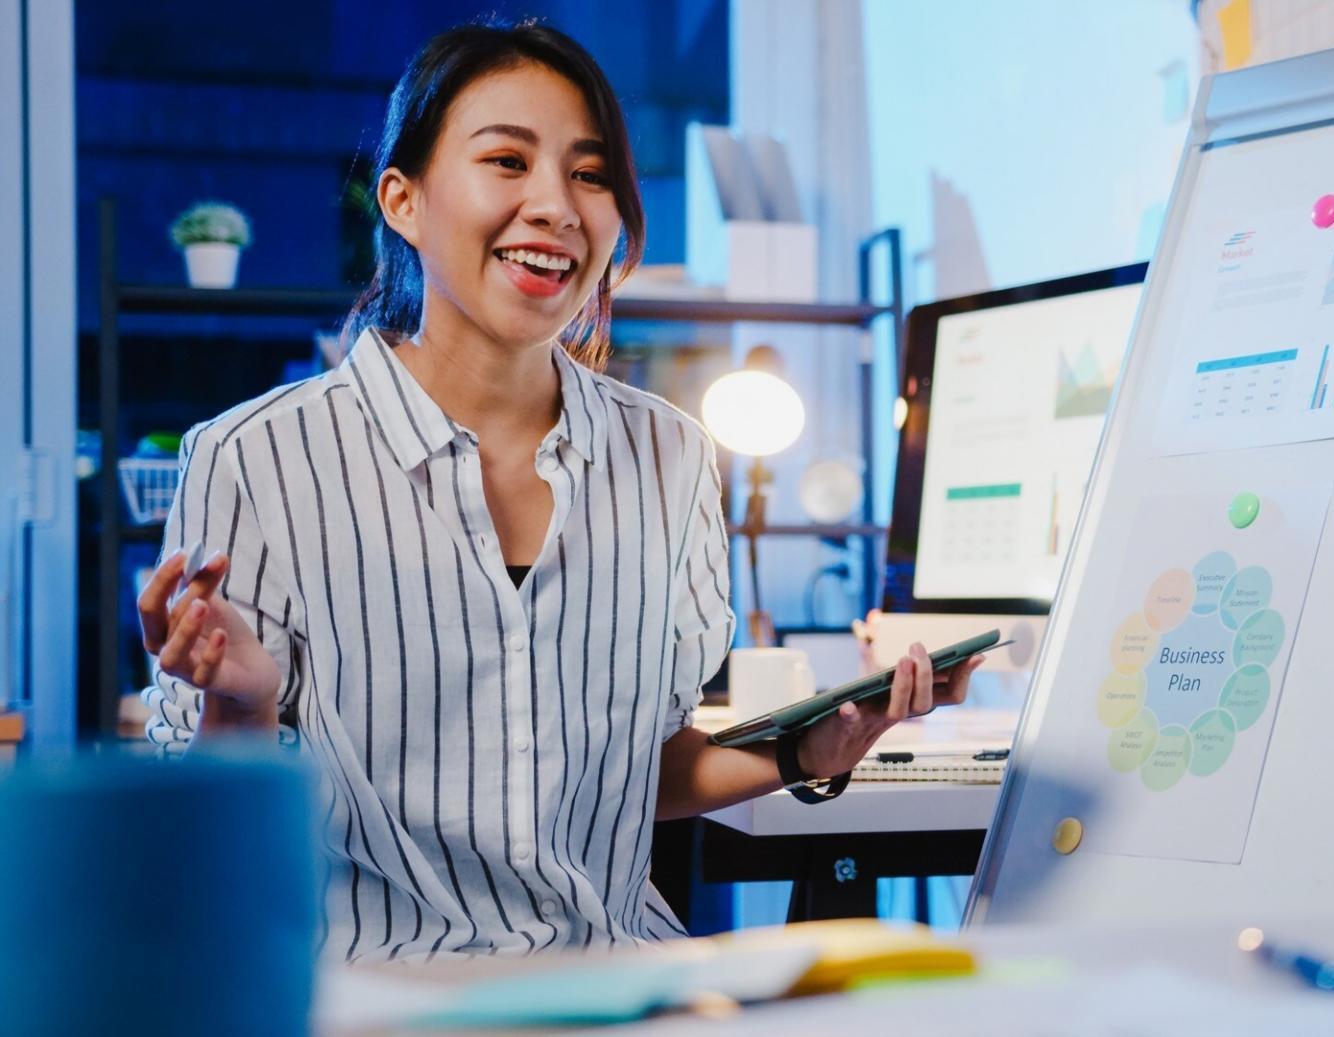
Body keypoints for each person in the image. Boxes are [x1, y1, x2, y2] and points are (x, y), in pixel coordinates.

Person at [136, 20, 978, 963]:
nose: (556, 206)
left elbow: (626, 776)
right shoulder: (256, 458)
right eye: (506, 160)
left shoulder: (670, 456)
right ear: (403, 201)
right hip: (376, 997)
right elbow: (209, 827)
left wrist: (804, 752)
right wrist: (243, 707)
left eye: (588, 173)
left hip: (619, 981)